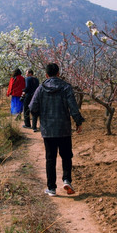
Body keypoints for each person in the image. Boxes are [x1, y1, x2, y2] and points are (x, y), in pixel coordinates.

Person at [29, 63, 84, 197]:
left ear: (46, 75)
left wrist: (40, 114)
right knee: (66, 156)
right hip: (64, 128)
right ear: (58, 74)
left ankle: (51, 188)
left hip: (48, 130)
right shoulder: (66, 87)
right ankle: (67, 180)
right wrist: (78, 121)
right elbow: (73, 107)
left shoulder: (41, 88)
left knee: (50, 158)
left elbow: (32, 107)